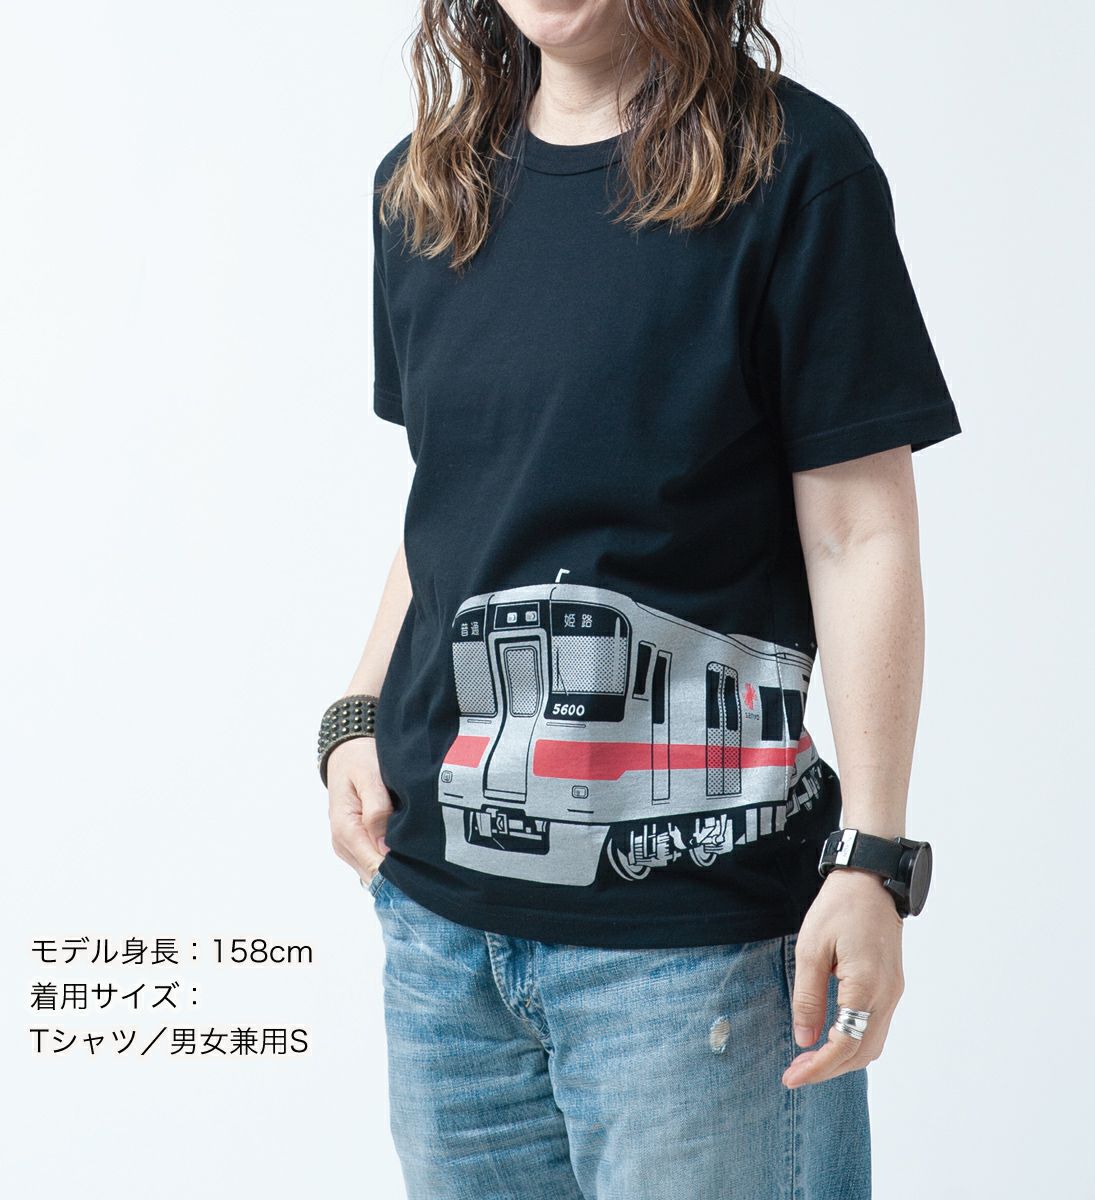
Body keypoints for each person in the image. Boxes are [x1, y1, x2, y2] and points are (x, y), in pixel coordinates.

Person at [319, 0, 961, 1195]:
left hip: (698, 960)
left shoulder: (794, 170)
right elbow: (457, 502)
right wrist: (357, 708)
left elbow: (860, 532)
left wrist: (873, 856)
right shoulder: (424, 191)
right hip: (437, 936)